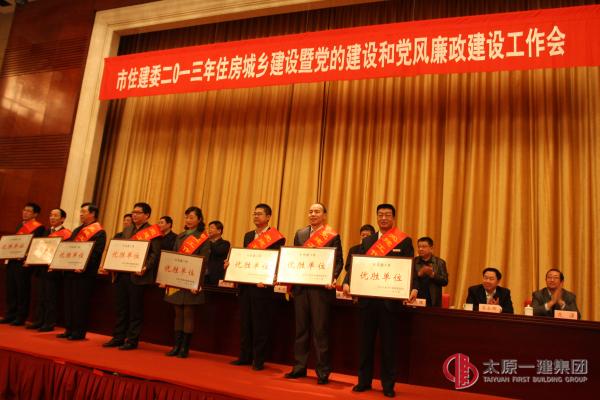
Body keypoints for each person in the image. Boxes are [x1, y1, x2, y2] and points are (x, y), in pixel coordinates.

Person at [343, 204, 417, 398]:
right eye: (380, 214)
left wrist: (414, 287)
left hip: (389, 302)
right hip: (367, 301)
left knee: (389, 346)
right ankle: (363, 381)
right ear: (377, 217)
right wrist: (347, 282)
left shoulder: (404, 240)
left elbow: (410, 267)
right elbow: (357, 265)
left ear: (393, 218)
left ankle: (388, 385)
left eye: (387, 215)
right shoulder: (368, 241)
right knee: (365, 343)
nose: (383, 218)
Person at [284, 203, 343, 385]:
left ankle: (322, 372)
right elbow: (295, 258)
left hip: (320, 290)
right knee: (301, 330)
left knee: (320, 331)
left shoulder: (332, 235)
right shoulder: (300, 234)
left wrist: (332, 277)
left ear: (324, 215)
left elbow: (338, 262)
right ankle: (299, 367)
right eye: (310, 211)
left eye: (317, 211)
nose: (313, 214)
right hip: (301, 288)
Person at [230, 204, 285, 371]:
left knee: (260, 323)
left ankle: (258, 359)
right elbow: (246, 258)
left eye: (259, 214)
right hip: (246, 285)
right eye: (254, 213)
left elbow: (275, 261)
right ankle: (244, 356)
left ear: (268, 217)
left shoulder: (276, 237)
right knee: (245, 321)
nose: (256, 216)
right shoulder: (248, 235)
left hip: (262, 287)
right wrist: (232, 265)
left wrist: (266, 278)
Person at [102, 202, 162, 350]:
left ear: (147, 215)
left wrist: (145, 267)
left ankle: (132, 340)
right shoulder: (127, 229)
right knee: (121, 308)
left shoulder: (153, 231)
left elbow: (155, 254)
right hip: (122, 274)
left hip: (138, 276)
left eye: (138, 212)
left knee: (135, 310)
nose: (134, 215)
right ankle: (118, 337)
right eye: (133, 212)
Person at [162, 207, 211, 358]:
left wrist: (197, 283)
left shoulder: (203, 238)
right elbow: (174, 258)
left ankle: (184, 348)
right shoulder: (180, 236)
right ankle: (176, 346)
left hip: (192, 281)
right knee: (178, 313)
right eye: (187, 217)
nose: (188, 220)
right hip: (177, 279)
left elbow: (204, 262)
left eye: (191, 217)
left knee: (188, 313)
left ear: (199, 219)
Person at [57, 203, 106, 340]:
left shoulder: (99, 232)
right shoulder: (77, 230)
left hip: (84, 274)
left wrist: (83, 265)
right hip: (70, 271)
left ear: (93, 214)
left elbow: (96, 253)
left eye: (84, 211)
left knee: (80, 303)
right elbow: (70, 248)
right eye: (81, 211)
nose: (81, 214)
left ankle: (78, 332)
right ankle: (69, 329)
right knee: (69, 301)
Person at [0, 202, 45, 326]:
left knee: (22, 289)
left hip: (23, 263)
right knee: (11, 289)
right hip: (13, 261)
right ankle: (10, 314)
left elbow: (36, 246)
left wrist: (28, 259)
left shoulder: (39, 228)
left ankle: (21, 316)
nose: (25, 212)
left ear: (35, 214)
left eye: (29, 211)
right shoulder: (20, 225)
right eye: (24, 210)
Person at [27, 208, 72, 332]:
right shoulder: (45, 231)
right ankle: (39, 321)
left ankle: (49, 323)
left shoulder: (67, 234)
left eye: (56, 215)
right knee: (40, 296)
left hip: (54, 271)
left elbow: (65, 252)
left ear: (62, 219)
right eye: (51, 215)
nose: (52, 217)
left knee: (50, 297)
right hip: (41, 268)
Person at [412, 237, 448, 307]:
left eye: (424, 247)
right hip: (416, 300)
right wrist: (419, 274)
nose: (420, 249)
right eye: (419, 247)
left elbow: (445, 281)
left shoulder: (440, 262)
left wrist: (432, 275)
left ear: (431, 248)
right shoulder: (413, 262)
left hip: (433, 301)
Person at [205, 220, 230, 285]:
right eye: (208, 228)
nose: (209, 230)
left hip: (216, 276)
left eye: (212, 228)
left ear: (219, 231)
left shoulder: (225, 243)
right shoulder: (206, 243)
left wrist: (207, 240)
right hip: (204, 275)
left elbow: (217, 251)